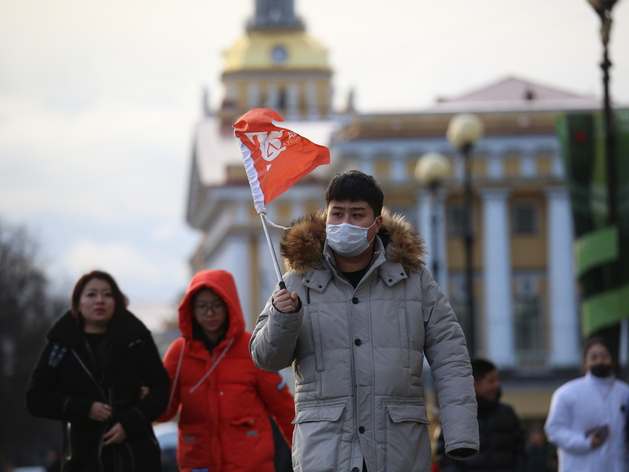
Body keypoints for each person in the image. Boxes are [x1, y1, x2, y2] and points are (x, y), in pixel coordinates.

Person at [250, 170, 480, 472]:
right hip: (326, 451)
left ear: (376, 224)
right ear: (326, 216)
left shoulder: (413, 281)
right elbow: (265, 358)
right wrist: (283, 317)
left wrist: (460, 434)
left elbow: (451, 357)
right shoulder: (297, 281)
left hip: (398, 450)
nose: (345, 223)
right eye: (338, 213)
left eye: (357, 214)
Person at [26, 270, 171, 471]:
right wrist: (84, 408)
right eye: (91, 294)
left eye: (107, 294)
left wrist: (130, 423)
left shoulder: (137, 340)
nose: (99, 300)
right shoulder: (61, 345)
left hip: (135, 457)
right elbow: (35, 398)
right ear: (78, 302)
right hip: (83, 458)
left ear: (116, 302)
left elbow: (161, 388)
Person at [158, 269, 295, 472]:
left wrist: (306, 456)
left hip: (250, 466)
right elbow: (163, 411)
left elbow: (284, 409)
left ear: (230, 305)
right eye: (202, 307)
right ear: (191, 310)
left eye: (216, 305)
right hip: (198, 465)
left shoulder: (252, 347)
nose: (210, 313)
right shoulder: (179, 353)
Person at [545, 337, 629, 472]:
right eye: (594, 357)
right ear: (585, 363)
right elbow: (554, 430)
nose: (600, 361)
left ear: (613, 361)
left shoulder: (624, 392)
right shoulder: (567, 393)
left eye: (604, 356)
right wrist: (586, 442)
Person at [437, 358, 527, 472]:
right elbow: (446, 457)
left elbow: (521, 453)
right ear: (475, 384)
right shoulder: (457, 416)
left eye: (497, 380)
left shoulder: (507, 413)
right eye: (491, 381)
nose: (497, 384)